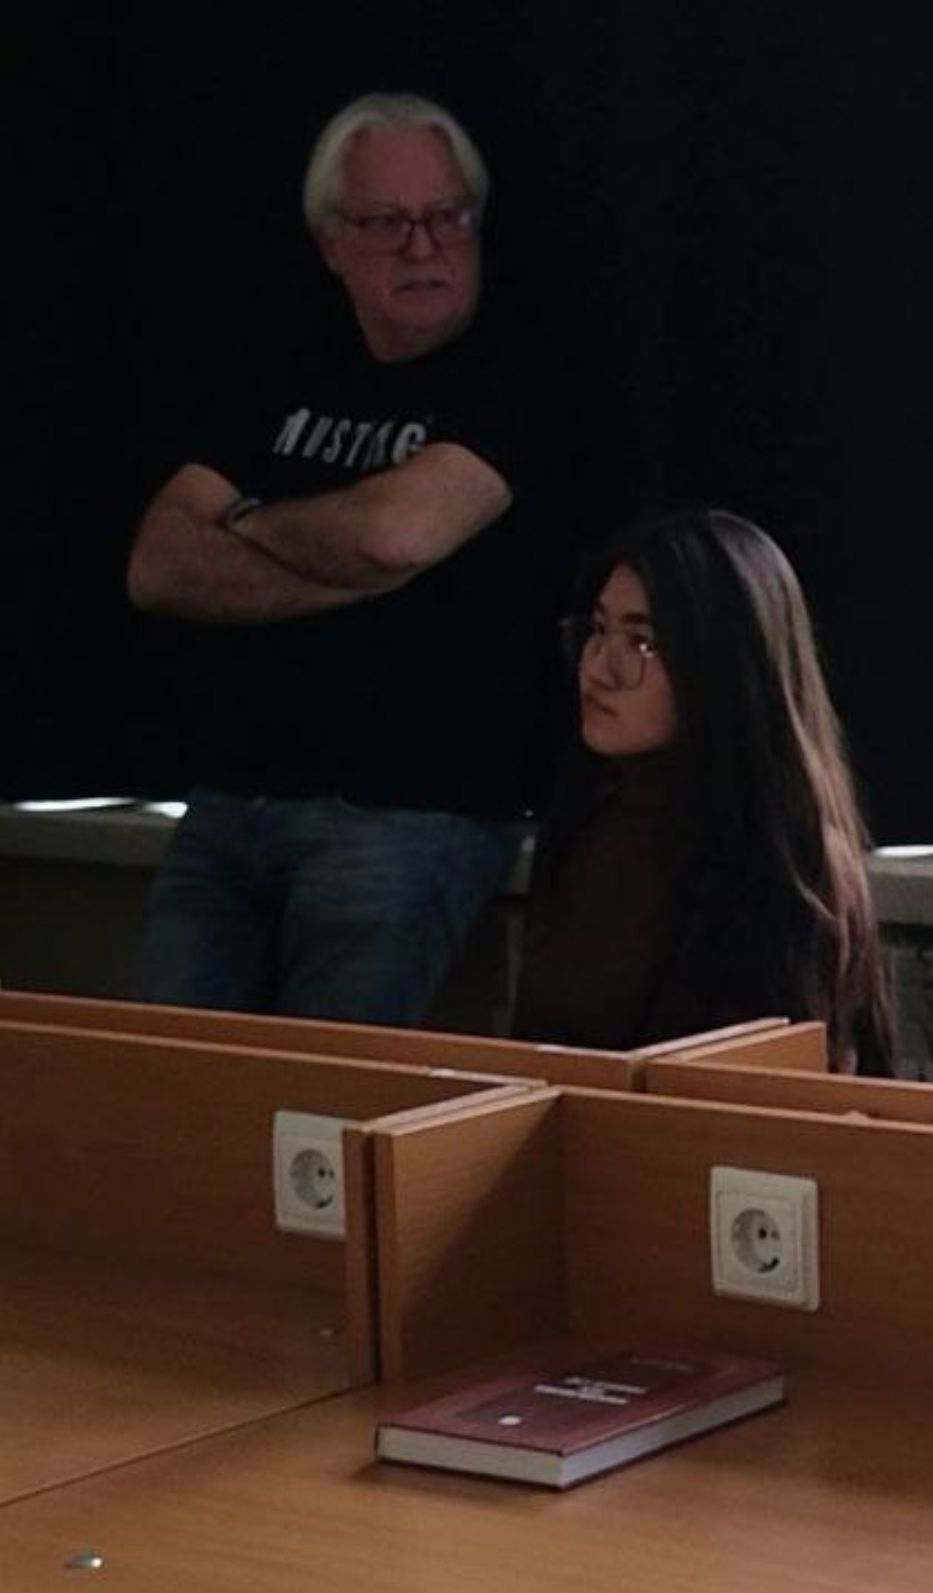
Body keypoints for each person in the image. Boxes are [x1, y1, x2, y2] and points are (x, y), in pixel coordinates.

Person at [124, 92, 556, 1023]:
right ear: (330, 244)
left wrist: (246, 520)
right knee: (161, 1090)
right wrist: (352, 563)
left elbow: (393, 535)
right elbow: (158, 565)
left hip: (408, 815)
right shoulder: (285, 366)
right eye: (386, 223)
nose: (423, 246)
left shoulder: (515, 372)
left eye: (448, 216)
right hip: (230, 801)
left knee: (323, 1104)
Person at [512, 509, 895, 1072]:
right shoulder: (590, 817)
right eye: (597, 629)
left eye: (641, 643)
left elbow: (764, 1097)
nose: (599, 669)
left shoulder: (787, 862)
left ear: (722, 664)